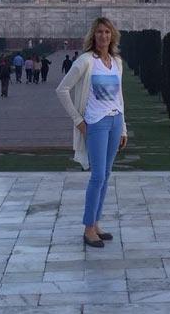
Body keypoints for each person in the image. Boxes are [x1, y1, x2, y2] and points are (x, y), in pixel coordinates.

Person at [55, 17, 128, 249]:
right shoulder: (85, 61)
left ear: (112, 35)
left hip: (115, 121)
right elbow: (62, 89)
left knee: (106, 175)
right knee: (97, 176)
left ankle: (95, 223)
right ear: (93, 36)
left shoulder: (116, 62)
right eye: (99, 32)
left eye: (107, 32)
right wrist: (78, 120)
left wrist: (124, 126)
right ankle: (88, 228)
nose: (103, 36)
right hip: (96, 123)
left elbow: (119, 96)